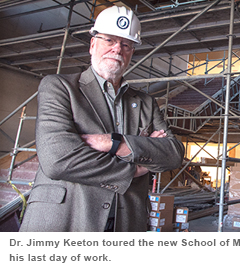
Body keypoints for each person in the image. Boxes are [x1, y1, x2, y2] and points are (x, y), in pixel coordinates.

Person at [19, 6, 184, 232]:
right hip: (65, 220)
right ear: (93, 44)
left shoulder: (146, 102)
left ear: (132, 52)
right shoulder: (59, 87)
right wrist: (135, 167)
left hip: (126, 223)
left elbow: (173, 154)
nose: (117, 49)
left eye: (126, 44)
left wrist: (114, 142)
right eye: (109, 40)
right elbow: (58, 160)